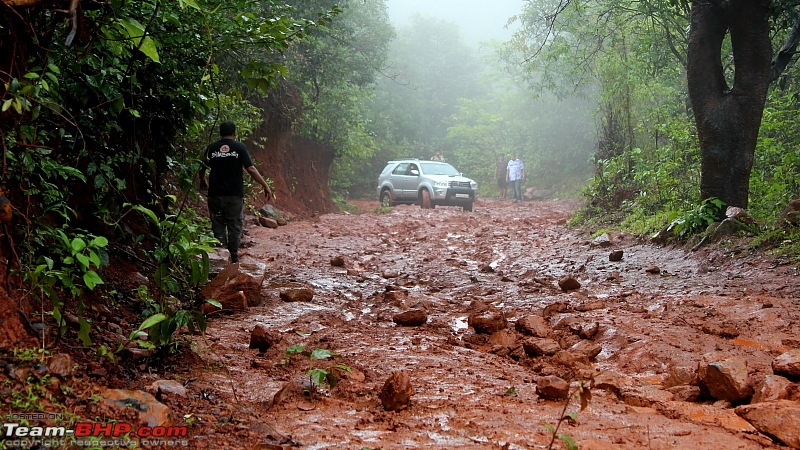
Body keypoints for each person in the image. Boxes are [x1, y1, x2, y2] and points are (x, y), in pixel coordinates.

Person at [199, 121, 273, 263]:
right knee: (234, 225)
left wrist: (202, 180)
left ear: (220, 133)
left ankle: (220, 256)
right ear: (234, 133)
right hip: (234, 195)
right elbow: (250, 169)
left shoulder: (212, 148)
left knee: (218, 224)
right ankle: (233, 257)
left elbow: (202, 167)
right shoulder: (239, 147)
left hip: (215, 194)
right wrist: (265, 185)